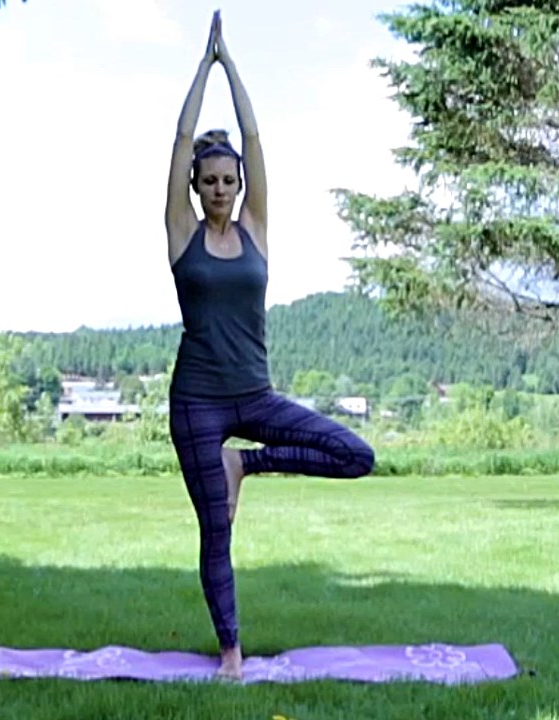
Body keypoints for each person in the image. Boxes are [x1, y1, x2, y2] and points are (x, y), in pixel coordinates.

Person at [164, 11, 377, 681]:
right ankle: (230, 650)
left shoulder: (257, 227)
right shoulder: (181, 232)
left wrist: (233, 66)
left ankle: (246, 465)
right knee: (216, 534)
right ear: (196, 187)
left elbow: (254, 136)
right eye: (211, 181)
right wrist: (203, 67)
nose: (222, 189)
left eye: (229, 180)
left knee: (354, 455)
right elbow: (176, 142)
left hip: (254, 397)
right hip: (196, 400)